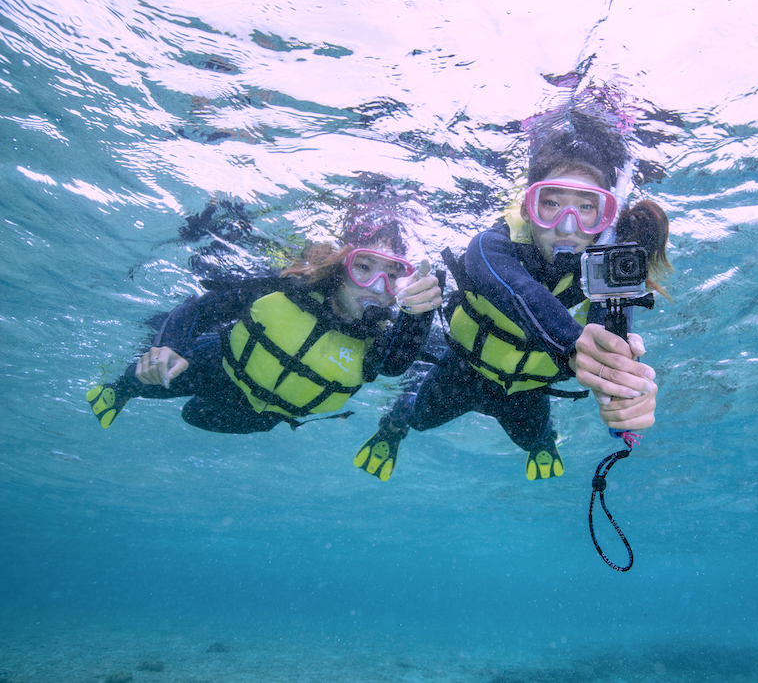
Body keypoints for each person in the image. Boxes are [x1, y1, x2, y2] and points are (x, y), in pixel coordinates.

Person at [353, 112, 666, 482]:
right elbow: (521, 291)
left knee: (534, 440)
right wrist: (582, 353)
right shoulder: (490, 246)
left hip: (529, 391)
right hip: (462, 370)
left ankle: (544, 442)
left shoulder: (609, 271)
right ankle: (393, 429)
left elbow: (609, 343)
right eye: (551, 204)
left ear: (604, 216)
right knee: (417, 419)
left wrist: (623, 387)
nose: (568, 226)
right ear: (526, 208)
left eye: (585, 207)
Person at [85, 191, 443, 456]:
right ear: (341, 266)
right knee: (155, 378)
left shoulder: (377, 337)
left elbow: (396, 365)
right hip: (217, 367)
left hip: (261, 415)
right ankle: (120, 389)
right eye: (363, 268)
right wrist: (168, 346)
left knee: (195, 416)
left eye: (391, 278)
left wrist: (421, 312)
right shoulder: (288, 290)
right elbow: (200, 308)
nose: (376, 289)